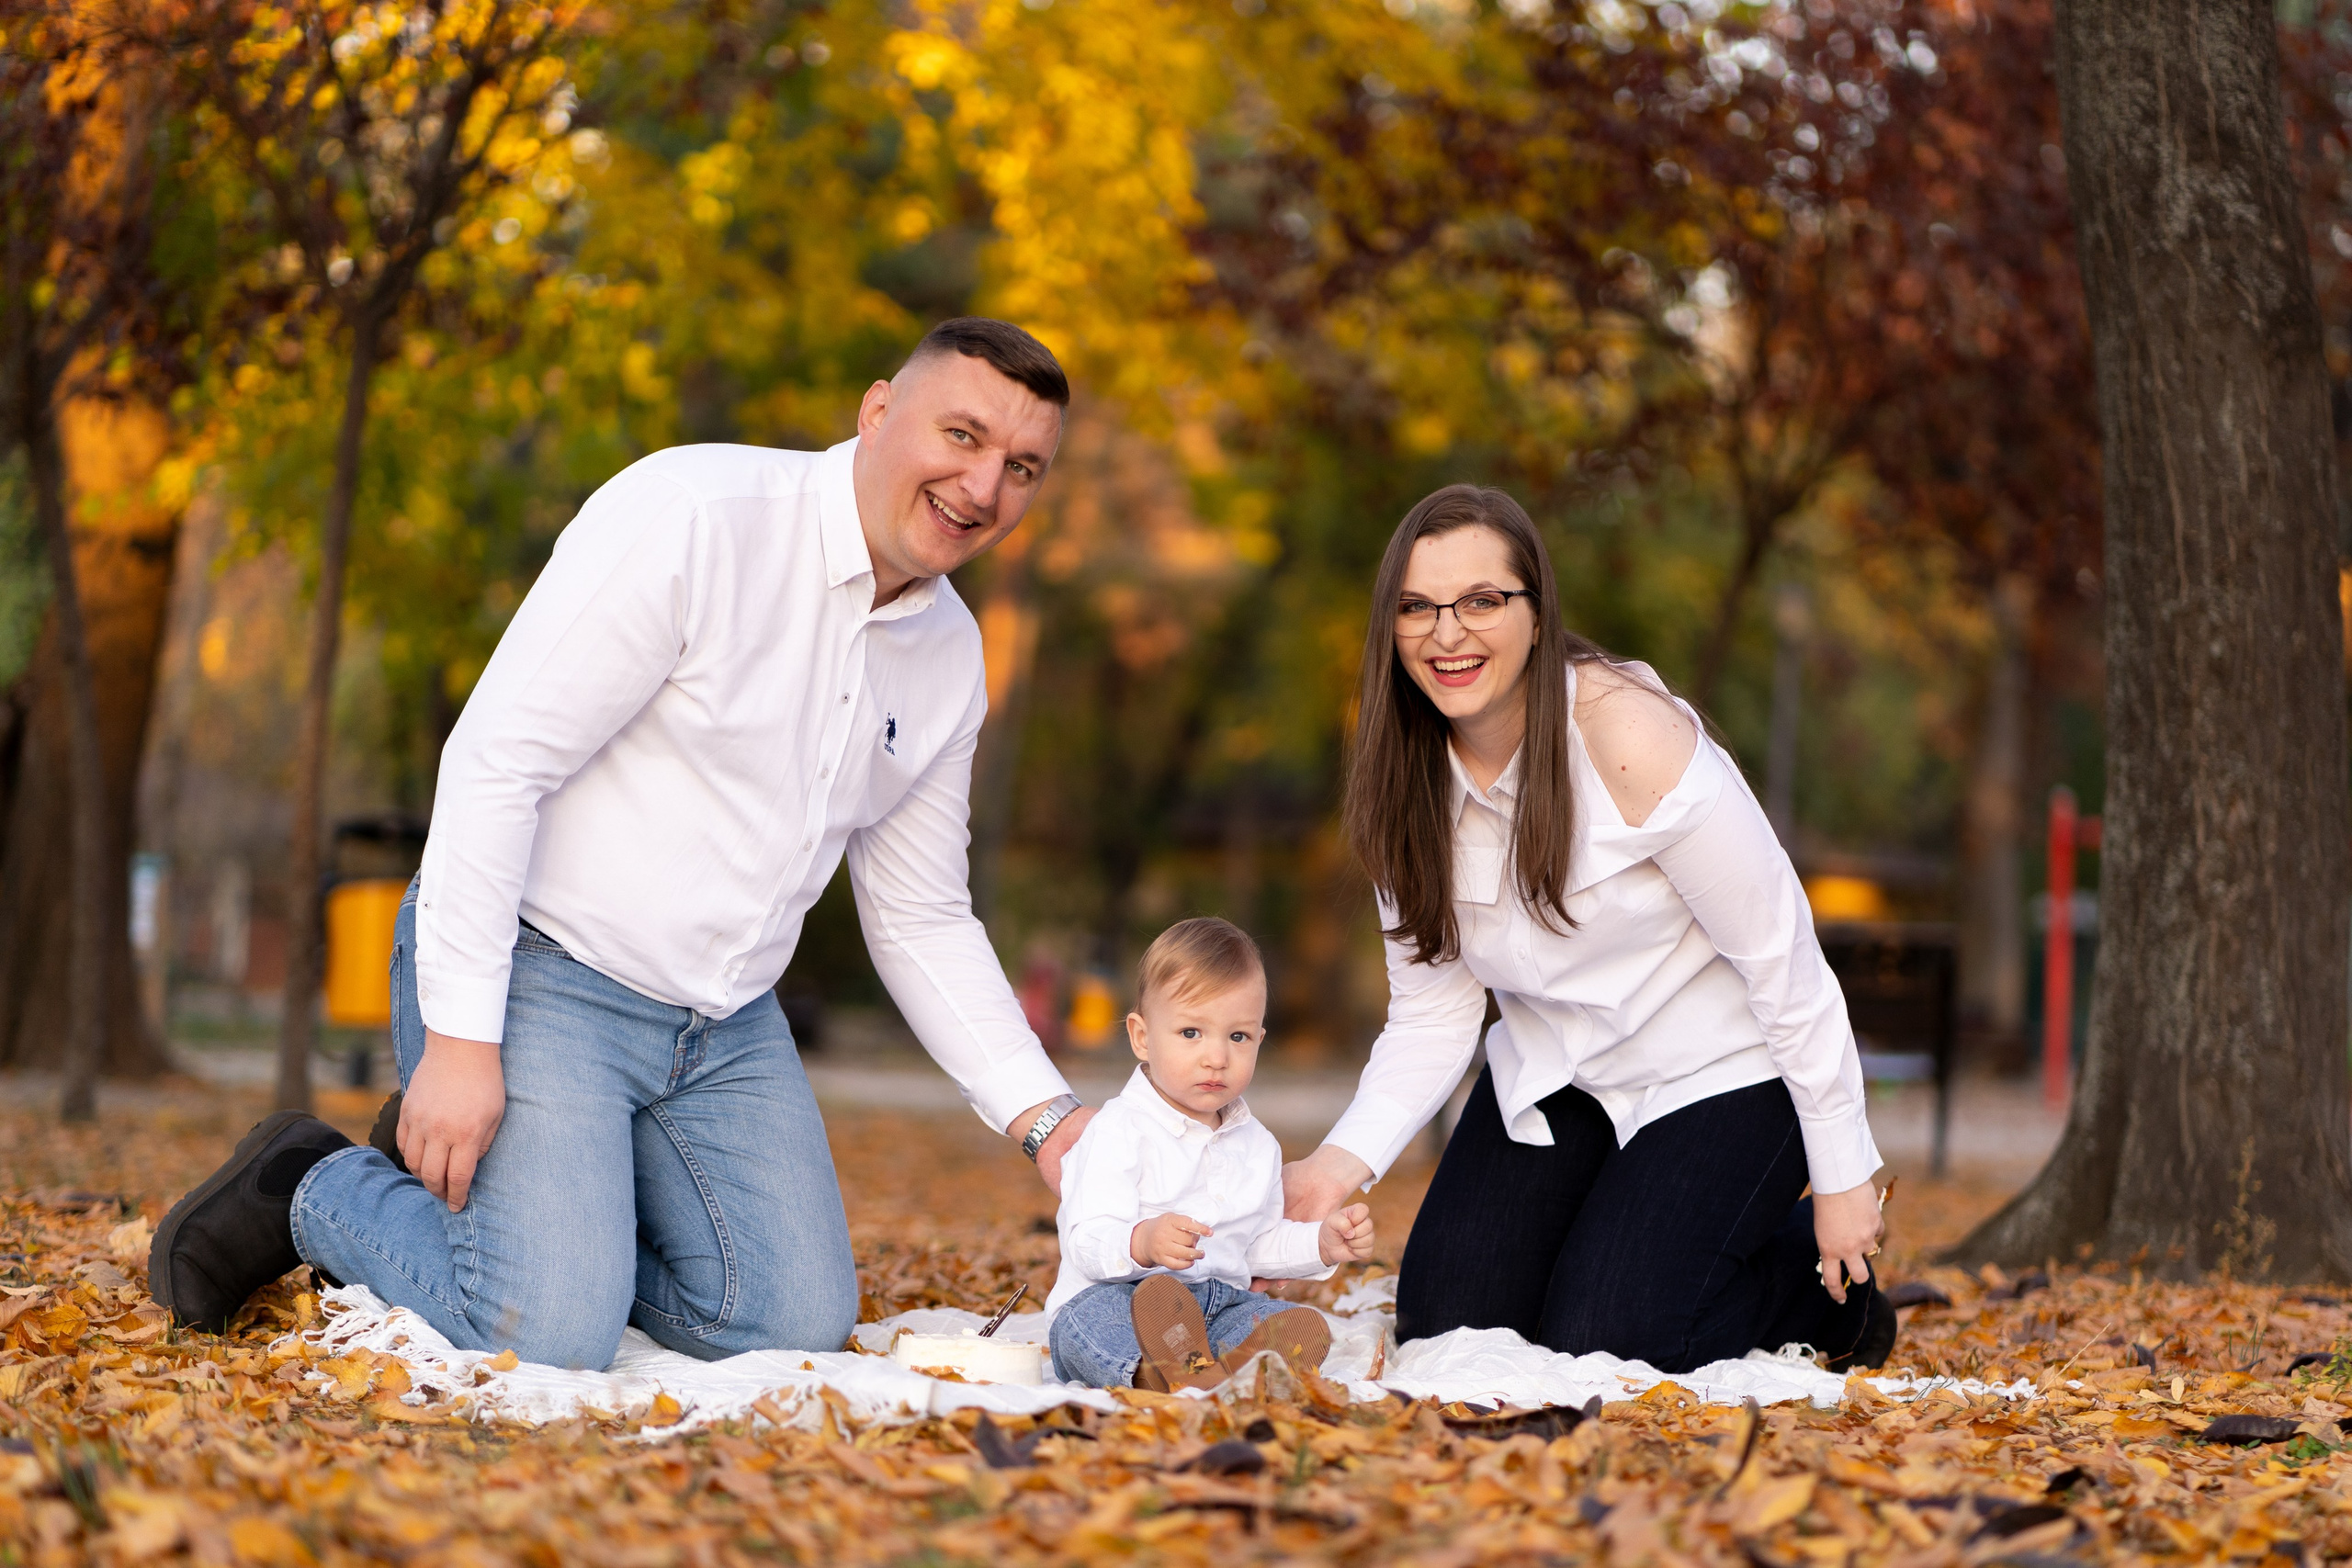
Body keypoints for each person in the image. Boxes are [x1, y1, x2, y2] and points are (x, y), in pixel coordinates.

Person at [150, 319, 1102, 1369]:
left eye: (1021, 467)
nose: (983, 486)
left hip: (726, 1030)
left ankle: (547, 1223)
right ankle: (316, 1183)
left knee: (785, 1327)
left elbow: (920, 913)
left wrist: (1046, 1121)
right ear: (878, 411)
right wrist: (463, 1045)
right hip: (541, 973)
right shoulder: (696, 515)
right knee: (550, 1330)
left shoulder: (949, 653)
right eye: (960, 435)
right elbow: (497, 763)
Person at [1275, 484, 1895, 1374]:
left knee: (1615, 1339)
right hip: (1556, 1078)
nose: (1447, 634)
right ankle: (1629, 1236)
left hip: (1719, 1074)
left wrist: (1841, 1175)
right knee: (1448, 1328)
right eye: (1416, 608)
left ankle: (1817, 1287)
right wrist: (1336, 1167)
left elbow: (1785, 963)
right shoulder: (1398, 783)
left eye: (1482, 601)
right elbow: (1433, 1015)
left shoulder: (1629, 736)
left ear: (1536, 612)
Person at [1047, 918, 1375, 1391]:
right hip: (1121, 1295)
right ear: (1142, 1036)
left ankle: (1212, 1370)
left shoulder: (1258, 1146)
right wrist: (1142, 1241)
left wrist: (1319, 1244)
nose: (1216, 1057)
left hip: (1216, 1304)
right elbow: (1087, 1239)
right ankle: (1153, 1374)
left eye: (1237, 1037)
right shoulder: (1118, 1129)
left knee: (1272, 1317)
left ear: (1259, 1040)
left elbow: (1256, 1247)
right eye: (1191, 1033)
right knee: (1089, 1320)